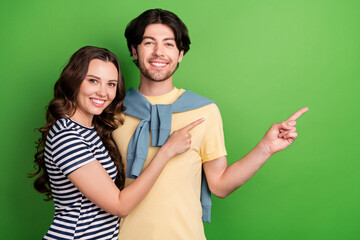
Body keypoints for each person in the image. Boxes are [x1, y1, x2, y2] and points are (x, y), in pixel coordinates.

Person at [112, 9, 309, 240]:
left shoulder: (204, 111)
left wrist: (265, 147)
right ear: (134, 51)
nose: (159, 52)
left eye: (169, 44)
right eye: (148, 43)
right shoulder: (112, 113)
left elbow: (220, 185)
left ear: (180, 54)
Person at [30, 46, 204, 239]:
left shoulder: (90, 130)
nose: (103, 92)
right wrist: (167, 151)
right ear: (74, 81)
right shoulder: (67, 136)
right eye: (93, 81)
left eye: (111, 84)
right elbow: (120, 206)